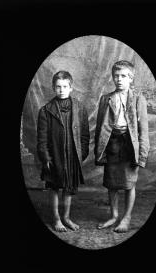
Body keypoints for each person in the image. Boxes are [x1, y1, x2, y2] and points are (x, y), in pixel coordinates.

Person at [94, 60, 149, 233]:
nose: (119, 79)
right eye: (116, 76)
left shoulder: (138, 99)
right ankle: (114, 215)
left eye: (123, 76)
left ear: (131, 78)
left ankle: (127, 217)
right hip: (112, 143)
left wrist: (141, 155)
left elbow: (144, 130)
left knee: (128, 184)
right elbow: (100, 127)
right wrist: (99, 151)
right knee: (111, 183)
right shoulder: (106, 98)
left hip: (129, 145)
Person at [37, 71, 90, 232]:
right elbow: (42, 139)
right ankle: (56, 218)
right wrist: (46, 157)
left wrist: (82, 153)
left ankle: (66, 217)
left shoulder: (80, 108)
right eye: (58, 87)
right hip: (55, 157)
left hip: (72, 155)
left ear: (71, 87)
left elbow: (85, 134)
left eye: (65, 86)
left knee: (69, 187)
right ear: (53, 88)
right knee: (54, 187)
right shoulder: (46, 110)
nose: (61, 90)